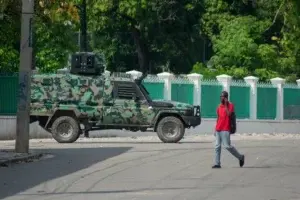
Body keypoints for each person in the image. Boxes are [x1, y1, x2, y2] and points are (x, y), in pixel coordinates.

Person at [212, 91, 245, 168]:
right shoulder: (219, 106)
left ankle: (240, 157)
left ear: (226, 98)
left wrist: (226, 104)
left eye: (223, 97)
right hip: (218, 129)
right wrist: (215, 129)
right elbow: (218, 118)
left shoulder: (230, 105)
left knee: (227, 146)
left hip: (226, 129)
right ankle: (217, 163)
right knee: (217, 146)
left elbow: (229, 114)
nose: (221, 98)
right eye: (220, 97)